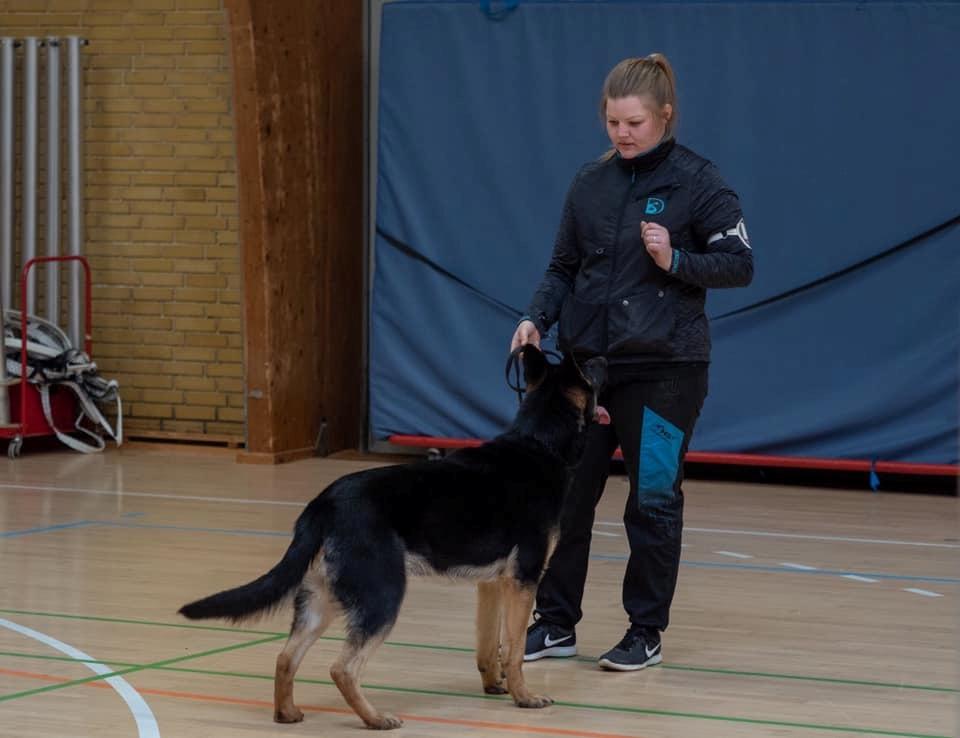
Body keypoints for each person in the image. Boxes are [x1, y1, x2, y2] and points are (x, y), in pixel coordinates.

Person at [510, 53, 753, 671]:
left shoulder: (701, 182)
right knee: (566, 501)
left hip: (667, 373)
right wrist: (537, 317)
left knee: (651, 501)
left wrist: (676, 260)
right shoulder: (590, 182)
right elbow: (563, 266)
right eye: (613, 121)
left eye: (635, 122)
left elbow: (740, 265)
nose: (622, 133)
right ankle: (556, 623)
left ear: (665, 116)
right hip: (587, 372)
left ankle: (645, 631)